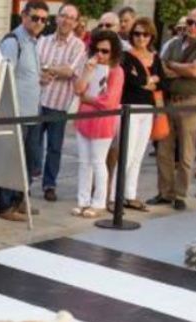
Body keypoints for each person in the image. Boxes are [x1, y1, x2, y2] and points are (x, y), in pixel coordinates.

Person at [149, 6, 196, 211]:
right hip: (169, 100)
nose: (192, 27)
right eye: (190, 22)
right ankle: (165, 192)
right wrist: (182, 68)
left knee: (186, 151)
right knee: (164, 150)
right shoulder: (174, 43)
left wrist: (175, 66)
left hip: (190, 101)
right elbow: (163, 68)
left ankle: (180, 194)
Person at [0, 0, 48, 222]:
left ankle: (19, 200)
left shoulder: (33, 42)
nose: (39, 23)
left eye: (44, 20)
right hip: (16, 113)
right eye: (34, 18)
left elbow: (24, 76)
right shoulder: (13, 41)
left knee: (29, 160)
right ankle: (5, 206)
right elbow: (4, 78)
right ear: (24, 16)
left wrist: (40, 80)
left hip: (31, 112)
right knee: (10, 160)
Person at [36, 2, 85, 203]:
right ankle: (27, 181)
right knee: (32, 144)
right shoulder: (43, 40)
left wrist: (48, 69)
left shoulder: (79, 46)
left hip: (59, 103)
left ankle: (49, 184)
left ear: (76, 23)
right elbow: (35, 66)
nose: (66, 21)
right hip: (38, 100)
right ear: (57, 18)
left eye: (71, 18)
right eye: (64, 16)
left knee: (55, 147)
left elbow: (70, 71)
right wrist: (51, 70)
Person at [71, 29, 122, 218]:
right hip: (84, 119)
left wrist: (88, 99)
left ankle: (99, 202)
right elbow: (78, 89)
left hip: (103, 123)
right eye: (97, 50)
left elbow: (109, 102)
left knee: (98, 162)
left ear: (113, 52)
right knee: (84, 162)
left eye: (105, 51)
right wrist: (87, 71)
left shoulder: (117, 71)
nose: (100, 55)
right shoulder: (90, 66)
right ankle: (82, 200)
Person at [113, 16, 162, 211]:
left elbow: (163, 81)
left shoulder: (155, 57)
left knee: (138, 154)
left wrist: (144, 80)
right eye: (137, 34)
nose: (141, 38)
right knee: (126, 152)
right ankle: (114, 196)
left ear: (151, 36)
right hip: (129, 108)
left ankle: (130, 194)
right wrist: (149, 81)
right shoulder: (125, 57)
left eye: (145, 34)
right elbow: (131, 82)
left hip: (148, 109)